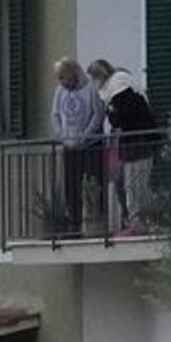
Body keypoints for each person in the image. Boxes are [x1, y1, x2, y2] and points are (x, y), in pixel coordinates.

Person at [87, 59, 162, 233]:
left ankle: (139, 222)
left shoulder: (119, 86)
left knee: (134, 184)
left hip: (138, 141)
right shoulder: (118, 86)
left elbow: (120, 117)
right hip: (132, 142)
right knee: (123, 183)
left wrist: (112, 113)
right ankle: (131, 219)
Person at [51, 57, 106, 235]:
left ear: (73, 73)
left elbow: (98, 114)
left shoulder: (91, 88)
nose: (61, 82)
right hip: (69, 146)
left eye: (62, 77)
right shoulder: (59, 91)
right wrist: (63, 135)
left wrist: (85, 135)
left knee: (93, 184)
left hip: (90, 145)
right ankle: (74, 223)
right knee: (71, 186)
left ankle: (97, 220)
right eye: (58, 78)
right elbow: (55, 115)